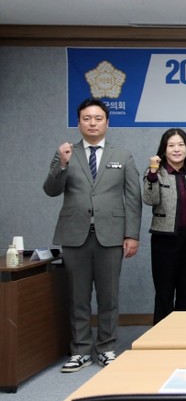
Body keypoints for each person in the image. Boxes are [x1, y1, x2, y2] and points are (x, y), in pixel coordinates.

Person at [43, 97, 141, 372]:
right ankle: (81, 350)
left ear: (107, 122)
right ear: (79, 123)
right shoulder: (65, 152)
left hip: (111, 235)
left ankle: (107, 347)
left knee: (109, 296)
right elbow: (51, 190)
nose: (93, 123)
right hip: (75, 235)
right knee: (78, 296)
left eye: (98, 118)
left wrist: (132, 234)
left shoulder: (122, 155)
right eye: (87, 118)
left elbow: (133, 198)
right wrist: (62, 164)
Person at [143, 128, 186, 324]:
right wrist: (152, 174)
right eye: (171, 145)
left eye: (181, 145)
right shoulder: (155, 171)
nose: (176, 149)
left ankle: (182, 332)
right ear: (164, 149)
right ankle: (162, 335)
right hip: (164, 239)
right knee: (164, 291)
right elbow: (150, 200)